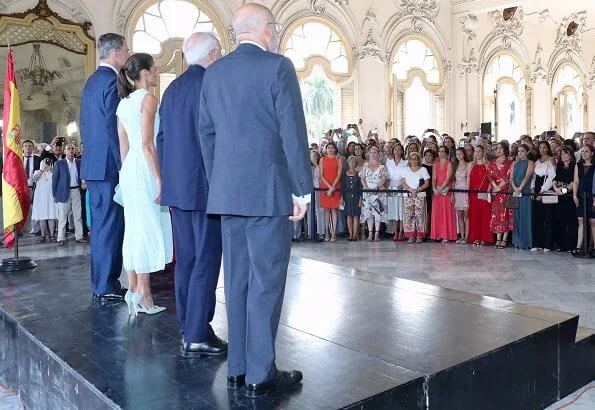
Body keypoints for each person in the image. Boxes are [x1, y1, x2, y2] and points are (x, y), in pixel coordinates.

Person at [198, 3, 312, 397]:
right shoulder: (278, 67)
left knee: (237, 280)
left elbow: (206, 135)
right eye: (275, 28)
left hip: (228, 194)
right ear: (266, 29)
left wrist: (221, 183)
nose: (275, 33)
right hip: (268, 192)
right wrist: (302, 189)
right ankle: (261, 374)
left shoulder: (214, 74)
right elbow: (293, 133)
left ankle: (239, 367)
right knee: (267, 281)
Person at [156, 33, 226, 354]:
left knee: (185, 260)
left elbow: (161, 140)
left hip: (177, 190)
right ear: (211, 55)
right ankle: (197, 332)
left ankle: (188, 325)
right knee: (206, 259)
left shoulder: (171, 89)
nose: (222, 56)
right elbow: (220, 139)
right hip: (206, 188)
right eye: (221, 51)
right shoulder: (212, 85)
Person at [116, 53, 173, 315]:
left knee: (134, 229)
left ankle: (134, 290)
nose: (157, 73)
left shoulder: (123, 103)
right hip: (144, 167)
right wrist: (159, 178)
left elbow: (123, 146)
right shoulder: (148, 98)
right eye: (155, 69)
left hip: (129, 169)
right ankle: (143, 295)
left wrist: (125, 176)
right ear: (146, 73)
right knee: (147, 228)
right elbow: (148, 144)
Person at [80, 33, 129, 300]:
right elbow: (114, 128)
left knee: (101, 227)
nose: (127, 54)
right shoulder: (111, 82)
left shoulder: (91, 82)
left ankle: (100, 282)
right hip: (109, 166)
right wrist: (123, 164)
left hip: (94, 166)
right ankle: (106, 285)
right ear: (115, 53)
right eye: (126, 50)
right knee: (110, 226)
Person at [51, 143, 86, 246]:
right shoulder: (59, 163)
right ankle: (60, 238)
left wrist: (83, 183)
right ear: (64, 151)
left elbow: (82, 176)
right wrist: (54, 195)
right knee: (62, 216)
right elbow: (55, 180)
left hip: (76, 191)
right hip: (63, 192)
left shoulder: (79, 162)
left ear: (74, 151)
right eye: (68, 149)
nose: (70, 151)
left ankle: (79, 237)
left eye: (72, 149)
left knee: (78, 215)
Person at [530, 141, 556, 252]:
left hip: (546, 188)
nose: (542, 149)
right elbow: (533, 177)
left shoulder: (551, 160)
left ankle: (548, 244)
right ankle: (537, 243)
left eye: (544, 147)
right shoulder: (536, 161)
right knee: (537, 218)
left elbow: (552, 176)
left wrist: (542, 191)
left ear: (548, 148)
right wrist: (532, 188)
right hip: (536, 189)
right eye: (540, 147)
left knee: (548, 218)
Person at [360, 145, 388, 242]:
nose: (373, 154)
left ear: (378, 154)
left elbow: (384, 178)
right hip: (367, 192)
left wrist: (377, 187)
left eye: (375, 152)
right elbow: (362, 178)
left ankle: (376, 234)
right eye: (371, 152)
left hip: (378, 191)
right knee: (368, 213)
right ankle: (370, 233)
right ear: (369, 154)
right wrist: (367, 188)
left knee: (378, 213)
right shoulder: (365, 165)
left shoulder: (382, 166)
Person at [401, 152, 430, 243]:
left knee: (420, 215)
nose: (414, 160)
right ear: (409, 160)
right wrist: (410, 189)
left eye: (415, 158)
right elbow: (403, 182)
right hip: (408, 195)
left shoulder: (423, 169)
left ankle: (419, 235)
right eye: (412, 159)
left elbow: (427, 183)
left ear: (419, 160)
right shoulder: (405, 169)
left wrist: (418, 190)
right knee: (409, 215)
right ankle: (410, 235)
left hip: (420, 195)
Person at [552, 146, 577, 253]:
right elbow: (556, 178)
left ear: (570, 156)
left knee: (571, 222)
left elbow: (574, 182)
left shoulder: (574, 166)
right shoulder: (559, 166)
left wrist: (565, 190)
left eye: (565, 154)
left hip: (570, 196)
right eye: (561, 154)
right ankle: (561, 245)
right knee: (560, 221)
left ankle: (571, 246)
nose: (563, 156)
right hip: (559, 196)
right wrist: (555, 188)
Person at [510, 144, 535, 250]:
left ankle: (525, 242)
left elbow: (527, 176)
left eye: (522, 151)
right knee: (514, 216)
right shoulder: (514, 163)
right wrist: (515, 187)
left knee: (525, 215)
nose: (520, 153)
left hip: (525, 190)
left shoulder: (530, 162)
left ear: (527, 152)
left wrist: (520, 188)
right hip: (513, 190)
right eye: (518, 151)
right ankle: (516, 241)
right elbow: (511, 177)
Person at [467, 145, 493, 246]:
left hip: (484, 193)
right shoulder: (471, 165)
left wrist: (488, 192)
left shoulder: (488, 164)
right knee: (474, 216)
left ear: (483, 153)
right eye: (476, 151)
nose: (477, 153)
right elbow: (468, 179)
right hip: (473, 194)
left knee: (485, 216)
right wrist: (467, 192)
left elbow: (490, 179)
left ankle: (484, 238)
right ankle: (476, 237)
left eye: (479, 151)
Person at [572, 144, 595, 255]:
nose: (584, 153)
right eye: (582, 151)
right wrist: (574, 195)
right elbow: (576, 181)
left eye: (586, 151)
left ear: (592, 153)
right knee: (580, 220)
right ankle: (578, 247)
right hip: (581, 195)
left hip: (592, 195)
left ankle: (593, 247)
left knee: (593, 221)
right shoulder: (578, 165)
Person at [431, 146, 457, 242]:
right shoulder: (435, 164)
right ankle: (438, 234)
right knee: (437, 213)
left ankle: (446, 235)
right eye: (439, 151)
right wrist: (434, 188)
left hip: (445, 189)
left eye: (443, 151)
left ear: (446, 153)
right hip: (437, 190)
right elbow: (434, 178)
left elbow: (448, 177)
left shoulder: (449, 163)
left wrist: (441, 188)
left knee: (446, 213)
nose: (441, 153)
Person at [319, 142, 342, 242]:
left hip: (335, 186)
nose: (330, 149)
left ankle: (333, 234)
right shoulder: (322, 159)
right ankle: (326, 233)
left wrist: (332, 187)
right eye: (328, 147)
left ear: (335, 149)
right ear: (326, 149)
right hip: (325, 187)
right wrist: (329, 187)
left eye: (332, 147)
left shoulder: (338, 159)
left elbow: (339, 174)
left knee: (334, 210)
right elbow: (321, 175)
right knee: (326, 210)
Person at [31, 158, 57, 243]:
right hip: (40, 198)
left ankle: (52, 235)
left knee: (51, 216)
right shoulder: (37, 172)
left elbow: (56, 181)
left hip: (51, 197)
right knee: (42, 217)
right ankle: (43, 235)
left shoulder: (53, 173)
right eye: (45, 162)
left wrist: (50, 170)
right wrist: (42, 169)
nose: (47, 164)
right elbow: (34, 179)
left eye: (49, 162)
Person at [386, 144, 407, 241]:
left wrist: (403, 185)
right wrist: (386, 189)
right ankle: (396, 232)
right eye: (395, 149)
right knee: (394, 211)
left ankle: (402, 231)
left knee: (401, 210)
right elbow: (387, 177)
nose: (397, 151)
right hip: (391, 187)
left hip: (402, 187)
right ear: (393, 151)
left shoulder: (406, 163)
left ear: (402, 151)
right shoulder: (388, 162)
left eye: (399, 149)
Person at [341, 156, 363, 241]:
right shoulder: (344, 174)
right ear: (348, 163)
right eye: (350, 162)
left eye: (353, 162)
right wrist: (342, 198)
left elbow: (360, 187)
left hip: (356, 196)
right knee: (349, 216)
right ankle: (350, 234)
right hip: (347, 197)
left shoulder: (358, 174)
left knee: (356, 216)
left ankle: (355, 234)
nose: (352, 163)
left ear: (356, 164)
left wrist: (361, 197)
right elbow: (343, 187)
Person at [22, 139, 41, 235]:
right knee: (21, 208)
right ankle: (19, 229)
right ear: (22, 148)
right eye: (26, 146)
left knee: (35, 208)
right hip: (21, 188)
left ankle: (36, 228)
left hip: (34, 187)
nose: (28, 148)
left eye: (30, 146)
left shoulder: (37, 159)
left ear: (33, 148)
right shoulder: (19, 159)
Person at [453, 147, 470, 244]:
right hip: (457, 190)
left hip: (465, 190)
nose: (458, 156)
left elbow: (469, 179)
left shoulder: (468, 165)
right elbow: (453, 180)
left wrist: (468, 192)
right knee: (459, 214)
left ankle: (467, 236)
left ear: (464, 154)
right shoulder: (455, 165)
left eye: (460, 153)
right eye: (457, 154)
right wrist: (452, 193)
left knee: (466, 215)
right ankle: (462, 235)